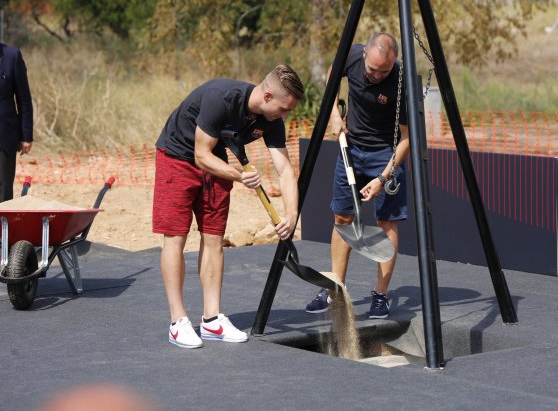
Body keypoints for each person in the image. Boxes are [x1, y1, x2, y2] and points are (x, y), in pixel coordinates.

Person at [153, 65, 304, 348]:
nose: (285, 116)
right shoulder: (220, 97)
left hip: (216, 160)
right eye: (284, 109)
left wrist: (292, 214)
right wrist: (239, 175)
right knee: (175, 238)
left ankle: (211, 320)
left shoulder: (271, 119)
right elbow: (200, 155)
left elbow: (285, 171)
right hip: (177, 156)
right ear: (268, 96)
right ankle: (178, 322)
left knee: (213, 238)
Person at [305, 32, 409, 319]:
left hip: (385, 154)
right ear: (364, 55)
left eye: (383, 71)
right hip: (350, 148)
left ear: (394, 63)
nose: (375, 76)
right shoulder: (353, 54)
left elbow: (406, 139)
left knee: (387, 221)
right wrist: (334, 114)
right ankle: (335, 286)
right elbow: (332, 73)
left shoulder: (402, 81)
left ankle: (381, 294)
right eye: (371, 69)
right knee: (342, 217)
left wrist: (382, 179)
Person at [0, 43, 33, 202]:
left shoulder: (12, 56)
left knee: (3, 188)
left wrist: (26, 135)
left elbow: (24, 99)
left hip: (4, 136)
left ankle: (2, 226)